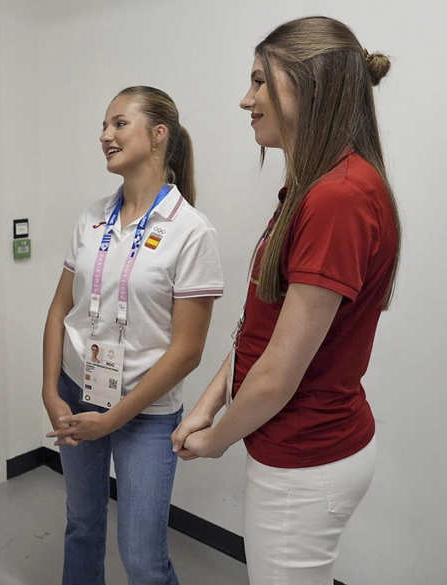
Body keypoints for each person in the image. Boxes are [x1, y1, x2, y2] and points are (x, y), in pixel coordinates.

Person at [171, 16, 400, 585]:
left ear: (310, 85)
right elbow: (263, 329)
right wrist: (210, 401)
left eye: (259, 82)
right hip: (301, 449)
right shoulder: (317, 187)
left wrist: (215, 441)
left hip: (307, 459)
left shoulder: (339, 198)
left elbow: (277, 373)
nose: (245, 100)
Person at [44, 86, 224, 585]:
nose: (105, 135)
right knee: (81, 524)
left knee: (142, 558)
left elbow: (189, 351)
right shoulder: (92, 216)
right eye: (104, 126)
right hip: (75, 394)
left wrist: (114, 418)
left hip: (145, 414)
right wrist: (48, 392)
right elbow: (62, 307)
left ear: (159, 134)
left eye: (119, 123)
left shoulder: (191, 231)